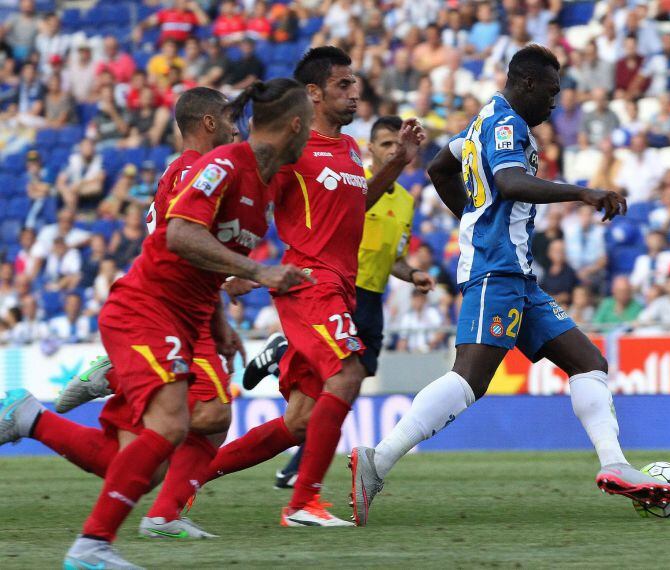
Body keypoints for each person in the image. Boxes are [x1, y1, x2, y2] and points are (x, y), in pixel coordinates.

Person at [349, 45, 670, 528]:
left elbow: (442, 166)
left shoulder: (482, 121)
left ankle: (615, 464)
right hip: (495, 270)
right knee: (470, 377)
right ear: (526, 84)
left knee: (588, 362)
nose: (555, 101)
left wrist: (471, 216)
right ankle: (377, 461)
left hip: (518, 275)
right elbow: (509, 182)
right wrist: (581, 191)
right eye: (551, 90)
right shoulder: (507, 126)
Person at [0, 81, 313, 568]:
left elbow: (202, 262)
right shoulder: (221, 166)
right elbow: (180, 234)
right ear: (296, 125)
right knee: (179, 422)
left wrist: (220, 322)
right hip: (147, 309)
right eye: (309, 124)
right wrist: (258, 271)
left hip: (185, 318)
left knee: (139, 462)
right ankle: (91, 547)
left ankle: (30, 418)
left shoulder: (263, 182)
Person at [162, 47, 424, 528]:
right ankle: (303, 502)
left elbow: (356, 202)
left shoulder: (346, 150)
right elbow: (250, 205)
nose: (354, 93)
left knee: (300, 419)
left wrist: (399, 162)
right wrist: (245, 269)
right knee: (348, 373)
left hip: (339, 287)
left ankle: (188, 480)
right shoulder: (291, 154)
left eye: (355, 84)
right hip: (309, 284)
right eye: (343, 85)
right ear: (313, 93)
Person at [243, 115, 432, 488]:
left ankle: (301, 455)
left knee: (347, 384)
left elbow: (394, 258)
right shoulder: (349, 177)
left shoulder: (406, 201)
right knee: (343, 376)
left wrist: (412, 275)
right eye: (386, 145)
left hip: (371, 298)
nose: (394, 150)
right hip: (335, 288)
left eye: (398, 145)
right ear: (371, 149)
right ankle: (302, 471)